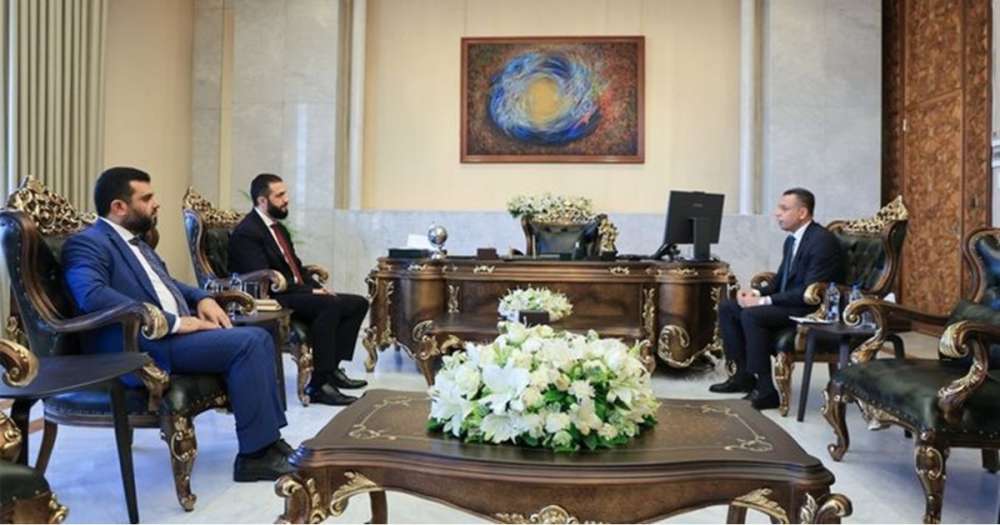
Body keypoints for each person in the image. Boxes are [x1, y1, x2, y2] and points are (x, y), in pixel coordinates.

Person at [62, 166, 294, 482]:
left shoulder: (137, 243)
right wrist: (174, 323)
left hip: (169, 337)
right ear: (119, 207)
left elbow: (168, 284)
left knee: (260, 335)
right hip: (139, 345)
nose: (156, 203)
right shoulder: (88, 243)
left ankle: (270, 442)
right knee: (249, 342)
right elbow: (92, 295)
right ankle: (254, 458)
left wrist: (203, 298)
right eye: (147, 198)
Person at [228, 173, 369, 406]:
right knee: (329, 305)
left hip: (292, 291)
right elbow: (264, 276)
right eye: (280, 195)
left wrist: (316, 287)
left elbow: (296, 268)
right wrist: (309, 293)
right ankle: (318, 386)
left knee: (357, 303)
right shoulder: (248, 232)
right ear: (262, 200)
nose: (286, 199)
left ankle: (331, 369)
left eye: (285, 193)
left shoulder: (278, 229)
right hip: (270, 297)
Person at [709, 188, 844, 410]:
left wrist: (763, 302)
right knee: (729, 308)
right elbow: (781, 280)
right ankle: (742, 376)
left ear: (802, 213)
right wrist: (756, 293)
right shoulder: (791, 241)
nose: (777, 213)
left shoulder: (821, 241)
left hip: (810, 309)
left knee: (752, 315)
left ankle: (766, 390)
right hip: (791, 303)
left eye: (784, 209)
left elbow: (809, 292)